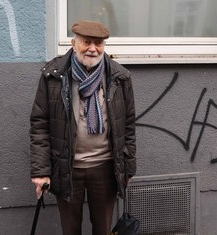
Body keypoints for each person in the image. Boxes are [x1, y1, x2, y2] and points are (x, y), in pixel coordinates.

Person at [29, 20, 136, 235]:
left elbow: (129, 124)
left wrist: (128, 167)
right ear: (73, 43)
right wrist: (41, 171)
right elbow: (39, 124)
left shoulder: (119, 77)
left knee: (103, 229)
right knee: (70, 230)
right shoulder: (54, 75)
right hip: (67, 167)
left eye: (99, 43)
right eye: (87, 42)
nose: (93, 49)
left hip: (105, 167)